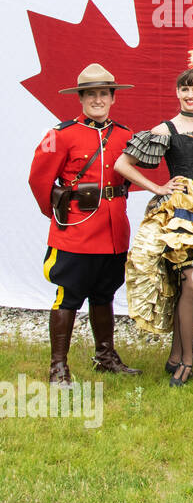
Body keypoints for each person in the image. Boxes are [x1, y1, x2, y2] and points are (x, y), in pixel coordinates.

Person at [115, 47, 193, 386]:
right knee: (189, 282)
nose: (190, 94)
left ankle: (176, 357)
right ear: (177, 92)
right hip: (178, 215)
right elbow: (123, 164)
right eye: (185, 88)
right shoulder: (166, 129)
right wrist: (157, 187)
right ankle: (186, 362)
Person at [28, 64, 138, 384]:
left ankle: (105, 356)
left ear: (113, 98)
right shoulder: (60, 134)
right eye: (91, 94)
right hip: (76, 230)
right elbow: (39, 180)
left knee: (104, 294)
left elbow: (127, 179)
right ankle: (58, 366)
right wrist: (60, 215)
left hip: (114, 230)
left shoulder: (124, 135)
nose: (98, 100)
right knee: (69, 295)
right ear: (81, 98)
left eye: (104, 93)